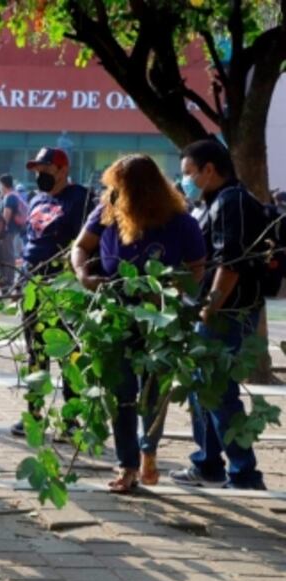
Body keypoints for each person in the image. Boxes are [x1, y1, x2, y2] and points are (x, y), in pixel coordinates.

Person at [71, 154, 206, 492]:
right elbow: (80, 247)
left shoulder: (180, 221)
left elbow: (197, 269)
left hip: (163, 315)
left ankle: (149, 449)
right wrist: (83, 274)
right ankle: (126, 464)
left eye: (119, 187)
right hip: (115, 310)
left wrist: (171, 292)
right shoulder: (107, 210)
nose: (112, 193)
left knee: (154, 389)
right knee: (121, 390)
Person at [171, 140, 266, 490]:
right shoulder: (213, 203)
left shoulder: (232, 201)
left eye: (188, 174)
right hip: (213, 310)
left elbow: (231, 262)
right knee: (201, 389)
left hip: (227, 312)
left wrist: (211, 308)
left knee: (218, 391)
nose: (185, 181)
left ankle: (244, 473)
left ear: (208, 169)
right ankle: (207, 463)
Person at [11, 147, 93, 438]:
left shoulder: (80, 198)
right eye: (36, 171)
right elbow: (31, 239)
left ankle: (71, 419)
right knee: (35, 352)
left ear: (62, 169)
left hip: (63, 288)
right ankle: (34, 414)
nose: (39, 175)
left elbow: (88, 241)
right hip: (32, 286)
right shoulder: (37, 199)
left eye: (45, 170)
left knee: (68, 352)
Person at [0, 174, 26, 290]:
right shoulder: (15, 195)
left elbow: (6, 216)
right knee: (9, 255)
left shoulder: (9, 197)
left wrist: (1, 231)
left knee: (7, 256)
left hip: (8, 231)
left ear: (3, 185)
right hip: (14, 230)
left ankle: (8, 281)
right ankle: (8, 279)